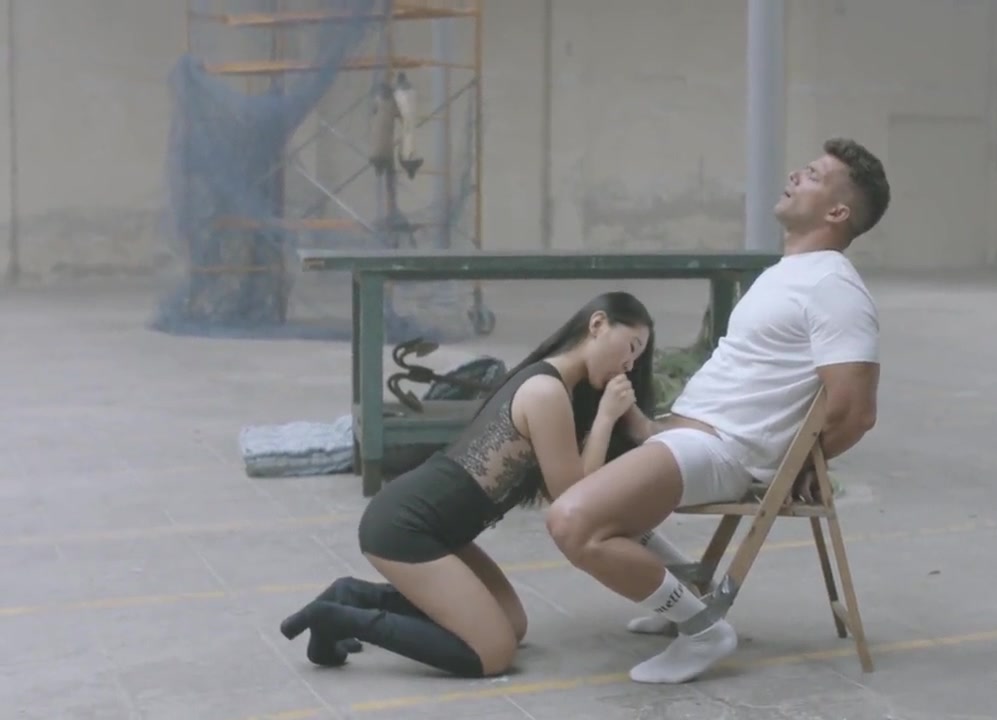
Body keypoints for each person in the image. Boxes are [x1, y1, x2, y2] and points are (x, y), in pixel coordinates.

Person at [543, 138, 890, 684]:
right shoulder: (789, 272)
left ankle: (702, 627)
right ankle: (685, 592)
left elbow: (855, 411)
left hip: (721, 451)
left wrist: (801, 467)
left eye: (814, 175)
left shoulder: (834, 287)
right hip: (688, 438)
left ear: (837, 212)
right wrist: (645, 424)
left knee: (571, 521)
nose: (795, 175)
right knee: (566, 479)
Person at [279, 291, 656, 678]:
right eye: (631, 347)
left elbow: (557, 487)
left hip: (442, 531)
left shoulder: (559, 389)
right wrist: (606, 419)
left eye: (637, 358)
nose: (629, 364)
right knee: (493, 652)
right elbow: (570, 498)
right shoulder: (546, 391)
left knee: (511, 623)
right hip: (405, 526)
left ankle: (353, 596)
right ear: (598, 325)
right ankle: (336, 618)